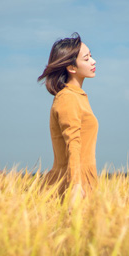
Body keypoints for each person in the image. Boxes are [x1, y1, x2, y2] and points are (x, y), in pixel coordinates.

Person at [38, 33, 98, 206]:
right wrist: (76, 185)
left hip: (83, 178)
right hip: (72, 181)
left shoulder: (77, 96)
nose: (93, 61)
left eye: (91, 56)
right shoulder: (68, 98)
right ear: (71, 68)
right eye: (86, 59)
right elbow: (73, 143)